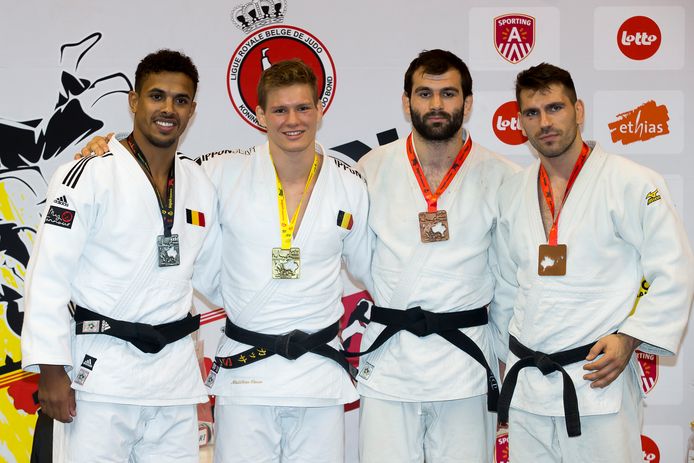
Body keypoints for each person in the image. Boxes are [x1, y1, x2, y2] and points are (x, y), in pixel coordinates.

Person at [79, 58, 372, 462]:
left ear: (320, 110)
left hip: (318, 375)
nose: (293, 120)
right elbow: (150, 170)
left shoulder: (349, 181)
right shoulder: (218, 171)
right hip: (246, 373)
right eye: (280, 109)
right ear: (259, 115)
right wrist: (104, 148)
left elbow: (366, 265)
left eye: (303, 108)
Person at [21, 49, 221, 463]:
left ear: (193, 110)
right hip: (101, 379)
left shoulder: (198, 182)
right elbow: (48, 274)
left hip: (173, 382)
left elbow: (218, 275)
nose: (168, 109)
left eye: (180, 100)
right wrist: (52, 371)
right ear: (133, 100)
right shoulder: (89, 173)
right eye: (156, 96)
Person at [492, 62, 694, 462]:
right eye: (532, 113)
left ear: (579, 110)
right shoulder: (512, 190)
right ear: (520, 123)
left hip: (597, 381)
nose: (544, 122)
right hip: (529, 386)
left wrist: (630, 338)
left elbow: (672, 270)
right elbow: (505, 285)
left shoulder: (634, 182)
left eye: (555, 108)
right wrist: (506, 356)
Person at [354, 49, 518, 462]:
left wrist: (506, 361)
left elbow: (509, 280)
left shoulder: (502, 177)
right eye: (425, 94)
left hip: (464, 363)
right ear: (406, 102)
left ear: (468, 102)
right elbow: (356, 259)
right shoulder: (369, 169)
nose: (437, 105)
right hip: (392, 359)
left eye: (449, 93)